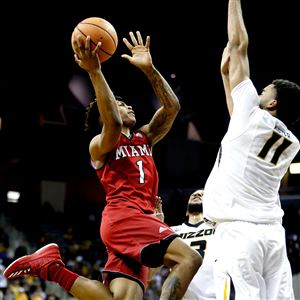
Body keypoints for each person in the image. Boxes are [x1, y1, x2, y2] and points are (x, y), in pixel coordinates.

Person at [3, 31, 202, 300]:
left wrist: (150, 69)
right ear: (104, 116)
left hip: (139, 219)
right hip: (125, 219)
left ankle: (52, 268)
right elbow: (114, 124)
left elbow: (171, 108)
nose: (128, 105)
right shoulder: (100, 145)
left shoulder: (145, 137)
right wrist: (95, 71)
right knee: (189, 258)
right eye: (119, 104)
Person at [203, 1, 300, 299]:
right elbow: (238, 127)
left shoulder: (252, 114)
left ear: (273, 103)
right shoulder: (293, 143)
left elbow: (238, 43)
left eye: (265, 90)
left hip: (239, 231)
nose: (259, 91)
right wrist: (224, 76)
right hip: (272, 233)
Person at [152, 189, 216, 300]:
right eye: (194, 194)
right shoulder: (172, 231)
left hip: (215, 294)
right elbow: (152, 273)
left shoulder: (219, 228)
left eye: (202, 194)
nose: (197, 194)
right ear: (186, 211)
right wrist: (157, 233)